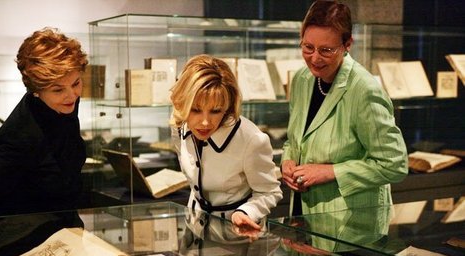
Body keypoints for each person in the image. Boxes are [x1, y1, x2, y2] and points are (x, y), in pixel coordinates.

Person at [281, 0, 408, 215]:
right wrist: (287, 161)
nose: (314, 58)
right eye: (307, 47)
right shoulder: (302, 79)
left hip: (352, 224)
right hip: (304, 213)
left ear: (348, 44)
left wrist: (331, 172)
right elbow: (295, 140)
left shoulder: (364, 90)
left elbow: (394, 165)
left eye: (326, 50)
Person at [0, 27, 88, 218]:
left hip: (61, 220)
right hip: (25, 229)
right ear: (35, 90)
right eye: (58, 90)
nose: (72, 95)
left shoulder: (63, 105)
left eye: (76, 83)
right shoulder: (21, 132)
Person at [170, 54, 282, 231]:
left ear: (228, 107)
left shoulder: (252, 139)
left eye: (215, 111)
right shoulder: (179, 126)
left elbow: (270, 192)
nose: (205, 122)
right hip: (194, 229)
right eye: (195, 110)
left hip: (238, 233)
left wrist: (246, 212)